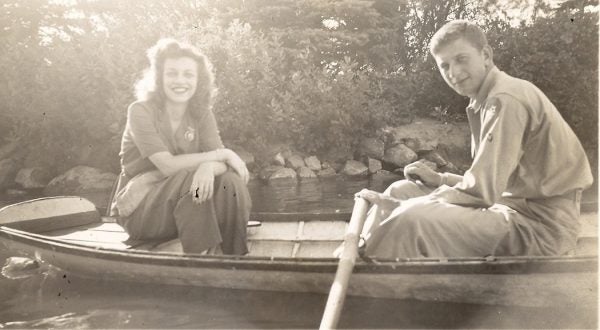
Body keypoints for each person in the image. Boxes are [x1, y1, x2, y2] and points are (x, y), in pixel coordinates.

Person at [355, 20, 593, 258]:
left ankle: (363, 271)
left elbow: (482, 193)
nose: (454, 73)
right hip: (512, 209)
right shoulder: (486, 98)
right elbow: (495, 186)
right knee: (400, 190)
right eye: (445, 65)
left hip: (541, 231)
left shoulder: (504, 99)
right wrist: (440, 179)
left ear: (486, 55)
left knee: (410, 217)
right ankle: (358, 256)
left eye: (461, 59)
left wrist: (402, 208)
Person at [110, 38, 251, 255]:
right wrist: (223, 153)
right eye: (172, 73)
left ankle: (235, 258)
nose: (180, 80)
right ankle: (199, 259)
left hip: (185, 206)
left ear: (198, 80)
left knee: (230, 182)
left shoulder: (202, 113)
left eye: (188, 74)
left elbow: (224, 165)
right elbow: (167, 166)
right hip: (141, 211)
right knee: (190, 180)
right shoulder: (140, 111)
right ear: (159, 77)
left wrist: (209, 167)